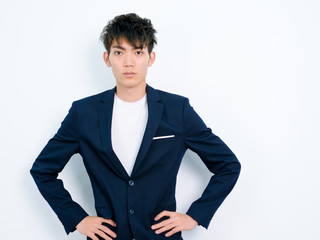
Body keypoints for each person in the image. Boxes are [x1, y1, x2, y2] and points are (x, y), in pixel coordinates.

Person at [30, 13, 241, 240]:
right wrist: (77, 218)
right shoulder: (83, 113)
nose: (128, 62)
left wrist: (195, 216)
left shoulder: (177, 110)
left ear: (150, 58)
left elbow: (228, 165)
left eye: (138, 52)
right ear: (107, 58)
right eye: (119, 52)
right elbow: (43, 170)